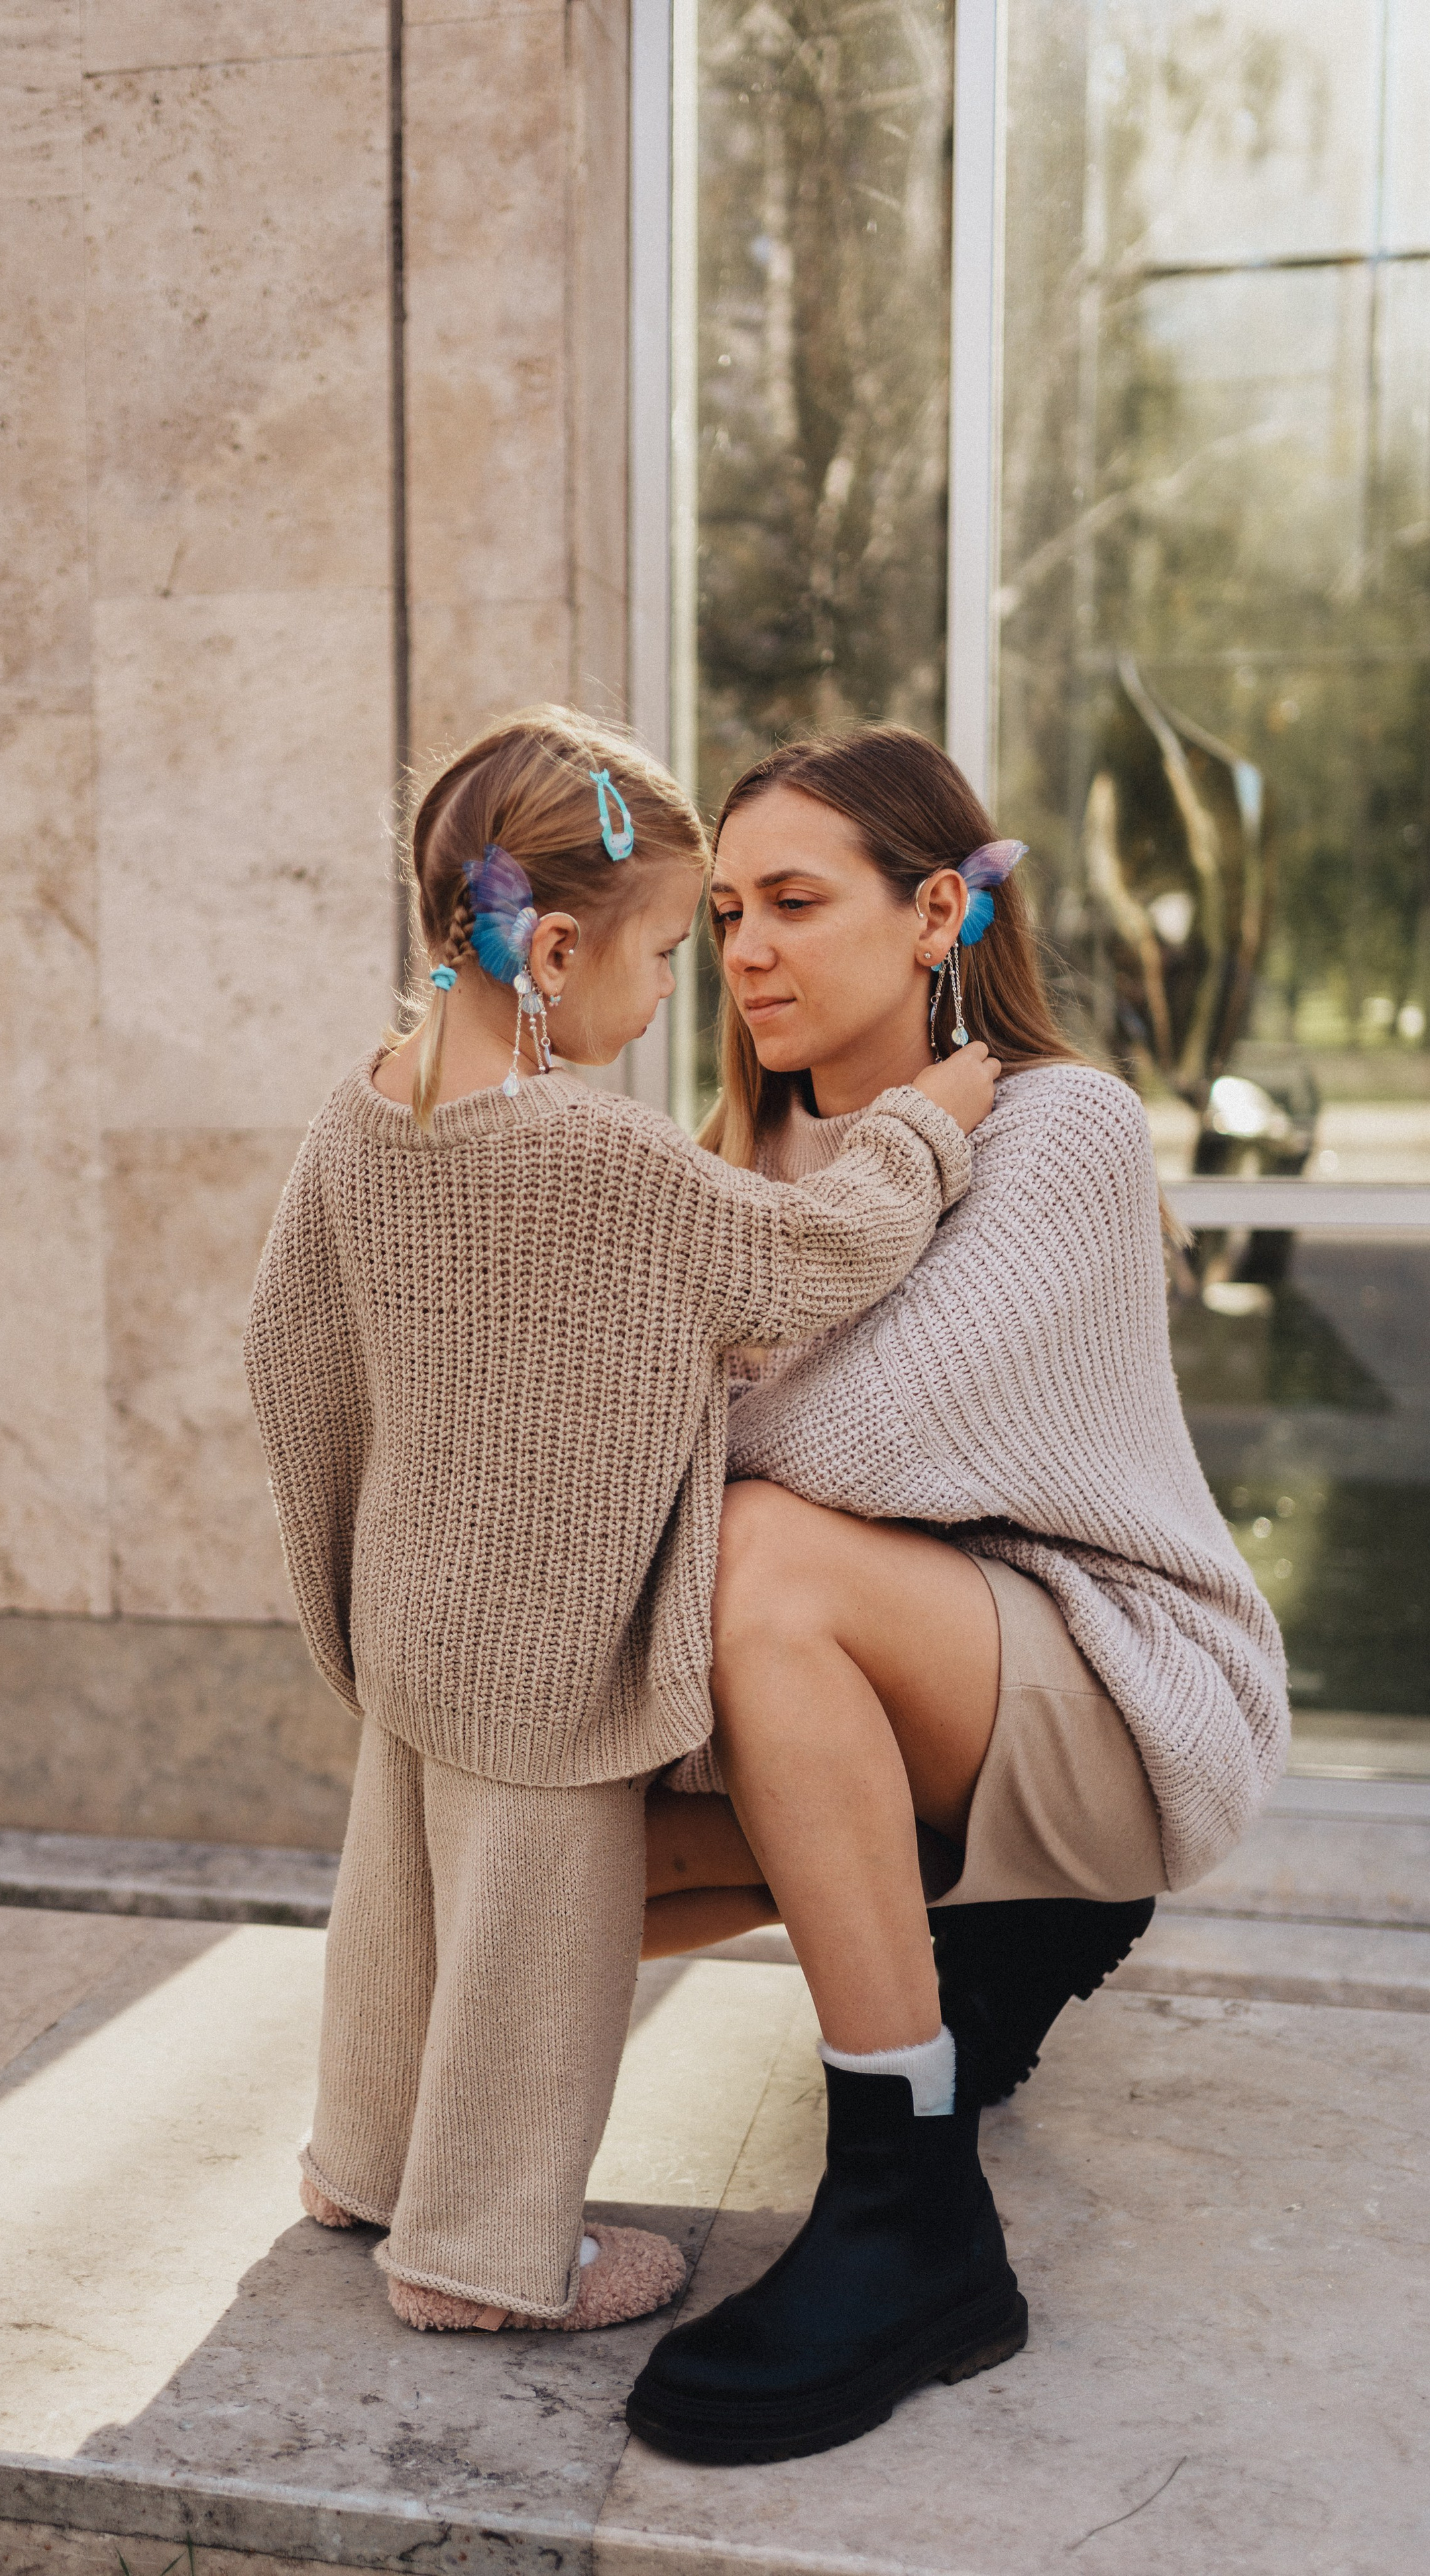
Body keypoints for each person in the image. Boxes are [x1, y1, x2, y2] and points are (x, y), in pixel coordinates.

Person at [244, 708, 999, 2337]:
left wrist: (351, 1564)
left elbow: (286, 1345)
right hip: (545, 1647)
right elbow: (815, 1254)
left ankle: (362, 2165)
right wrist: (930, 1122)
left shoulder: (365, 1110)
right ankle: (482, 2256)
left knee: (397, 1909)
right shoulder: (590, 1146)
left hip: (414, 1615)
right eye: (668, 949)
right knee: (535, 1951)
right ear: (556, 945)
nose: (681, 989)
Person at [626, 726, 1289, 2465]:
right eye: (722, 913)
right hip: (889, 1710)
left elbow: (842, 1438)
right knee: (536, 1846)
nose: (746, 947)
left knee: (766, 1554)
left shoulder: (1060, 1127)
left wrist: (715, 1395)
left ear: (935, 913)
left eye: (792, 900)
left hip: (1112, 1700)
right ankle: (462, 2173)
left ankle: (913, 2218)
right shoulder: (733, 1161)